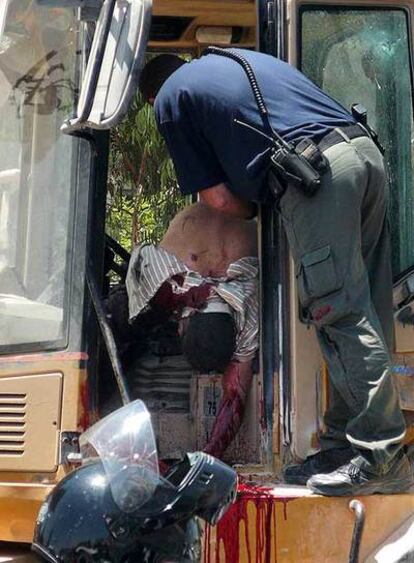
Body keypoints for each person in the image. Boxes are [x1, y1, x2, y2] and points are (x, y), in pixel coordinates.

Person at [138, 50, 412, 495]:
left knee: (336, 309)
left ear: (151, 100)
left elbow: (222, 201)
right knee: (366, 308)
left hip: (316, 179)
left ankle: (381, 455)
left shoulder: (171, 99)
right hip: (362, 154)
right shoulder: (234, 62)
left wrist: (256, 209)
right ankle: (343, 445)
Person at [108, 202, 259, 459]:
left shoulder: (168, 279)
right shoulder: (171, 280)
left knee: (120, 310)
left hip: (224, 226)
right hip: (228, 231)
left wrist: (210, 452)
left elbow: (235, 395)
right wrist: (212, 452)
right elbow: (235, 394)